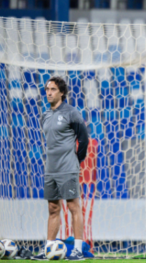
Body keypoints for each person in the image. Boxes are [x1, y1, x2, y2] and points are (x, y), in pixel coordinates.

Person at [32, 77, 89, 261]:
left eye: (53, 89)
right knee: (53, 208)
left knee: (73, 206)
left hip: (67, 168)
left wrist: (75, 161)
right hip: (51, 169)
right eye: (47, 89)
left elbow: (84, 139)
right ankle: (48, 248)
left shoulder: (72, 113)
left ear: (62, 93)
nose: (49, 92)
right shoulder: (45, 116)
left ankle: (78, 250)